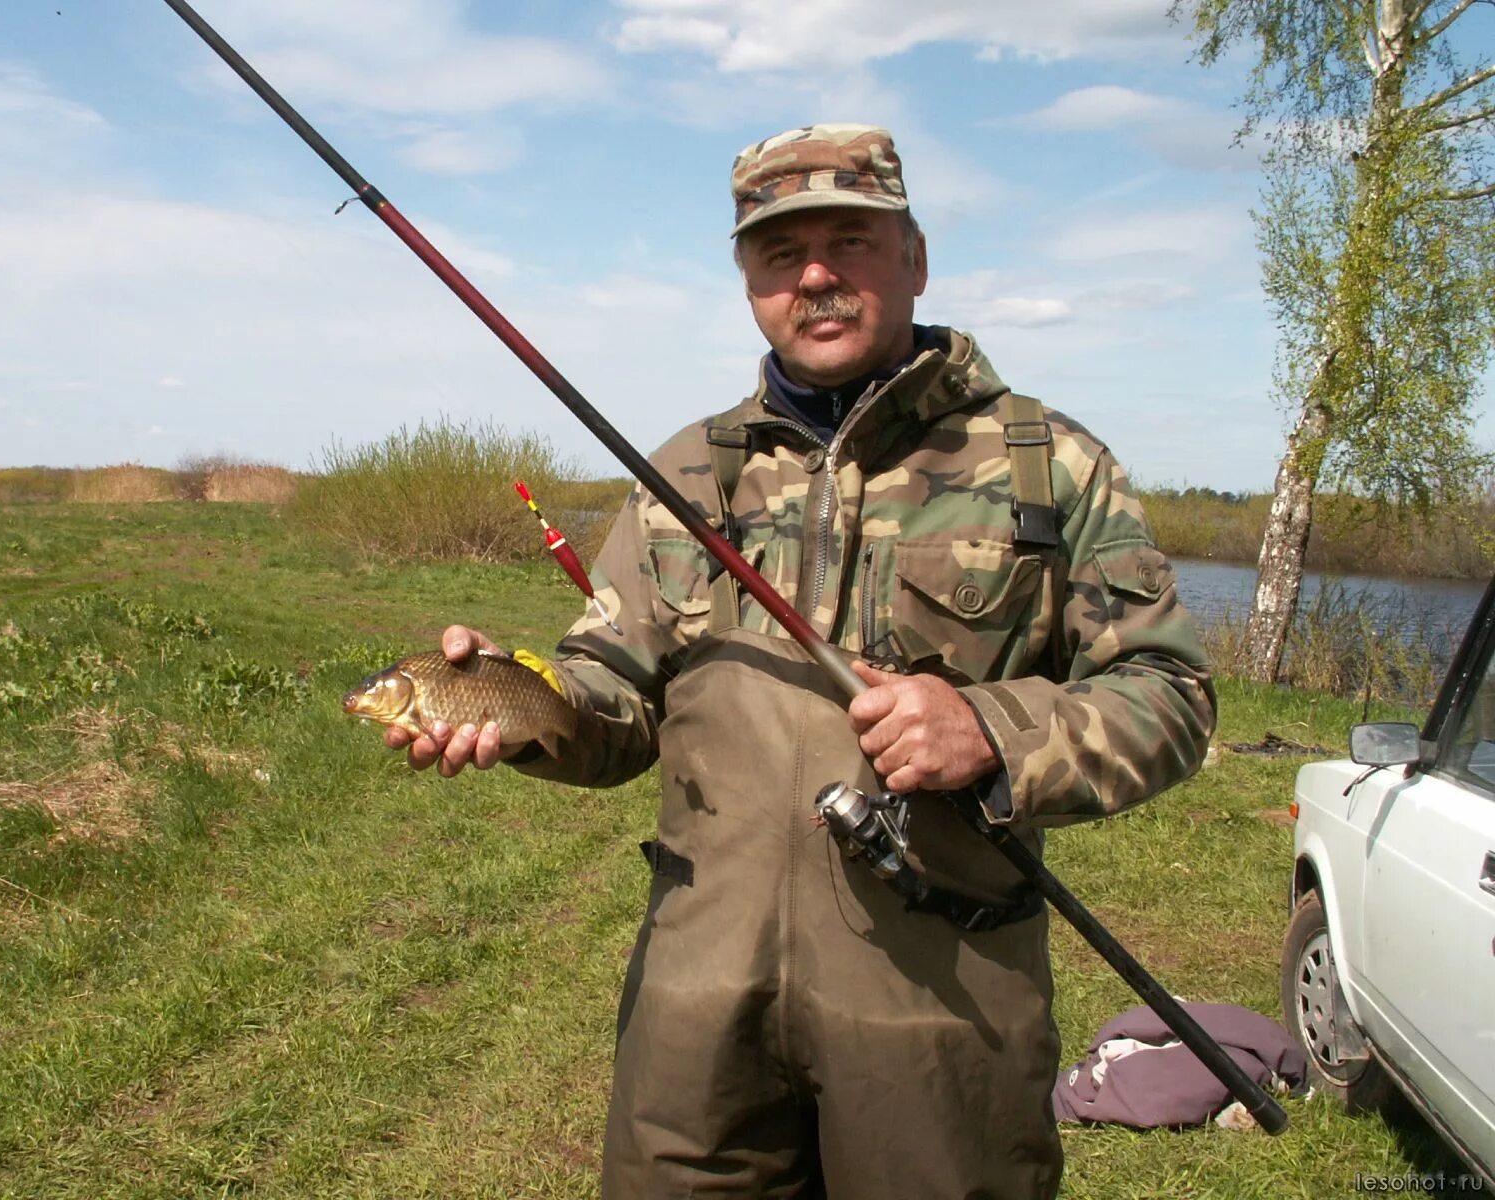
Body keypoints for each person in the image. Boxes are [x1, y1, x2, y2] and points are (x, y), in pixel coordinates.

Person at [384, 124, 1216, 1199]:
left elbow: (1171, 696)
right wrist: (516, 703)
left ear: (912, 257)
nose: (814, 276)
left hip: (937, 1011)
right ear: (748, 282)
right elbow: (610, 697)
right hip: (698, 1007)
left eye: (848, 242)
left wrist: (993, 730)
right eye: (780, 254)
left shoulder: (1046, 467)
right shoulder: (686, 471)